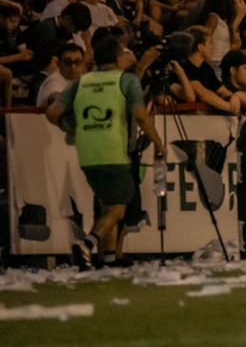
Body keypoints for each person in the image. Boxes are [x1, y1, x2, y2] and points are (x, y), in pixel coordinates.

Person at [46, 26, 166, 268]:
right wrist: (158, 144)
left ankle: (108, 259)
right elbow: (141, 116)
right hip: (114, 151)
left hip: (87, 153)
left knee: (107, 206)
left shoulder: (81, 83)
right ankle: (87, 245)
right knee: (118, 210)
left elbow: (52, 113)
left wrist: (72, 128)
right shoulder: (126, 80)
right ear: (117, 58)